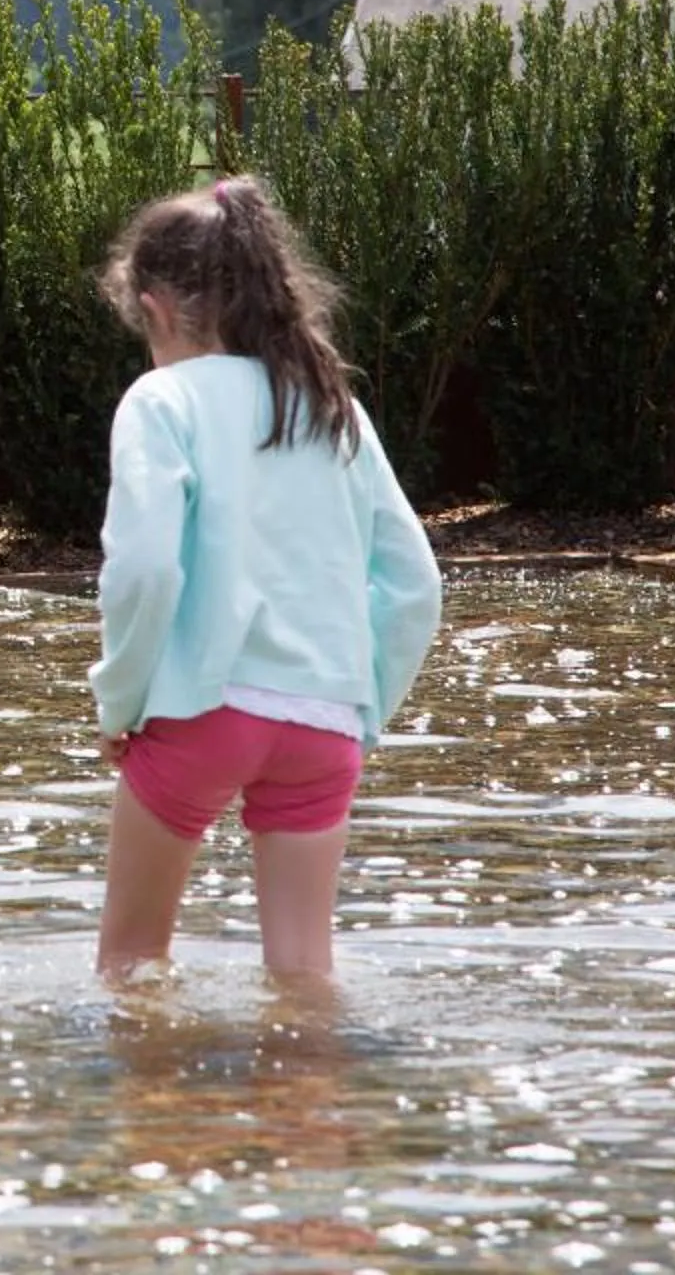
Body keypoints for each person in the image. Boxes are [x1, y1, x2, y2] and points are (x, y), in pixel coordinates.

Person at [88, 176, 441, 989]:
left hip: (199, 716)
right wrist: (360, 713)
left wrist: (120, 704)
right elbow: (415, 586)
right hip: (324, 724)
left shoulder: (161, 399)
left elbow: (142, 572)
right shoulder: (331, 404)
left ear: (157, 310)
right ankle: (305, 1113)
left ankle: (165, 1117)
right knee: (304, 979)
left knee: (130, 970)